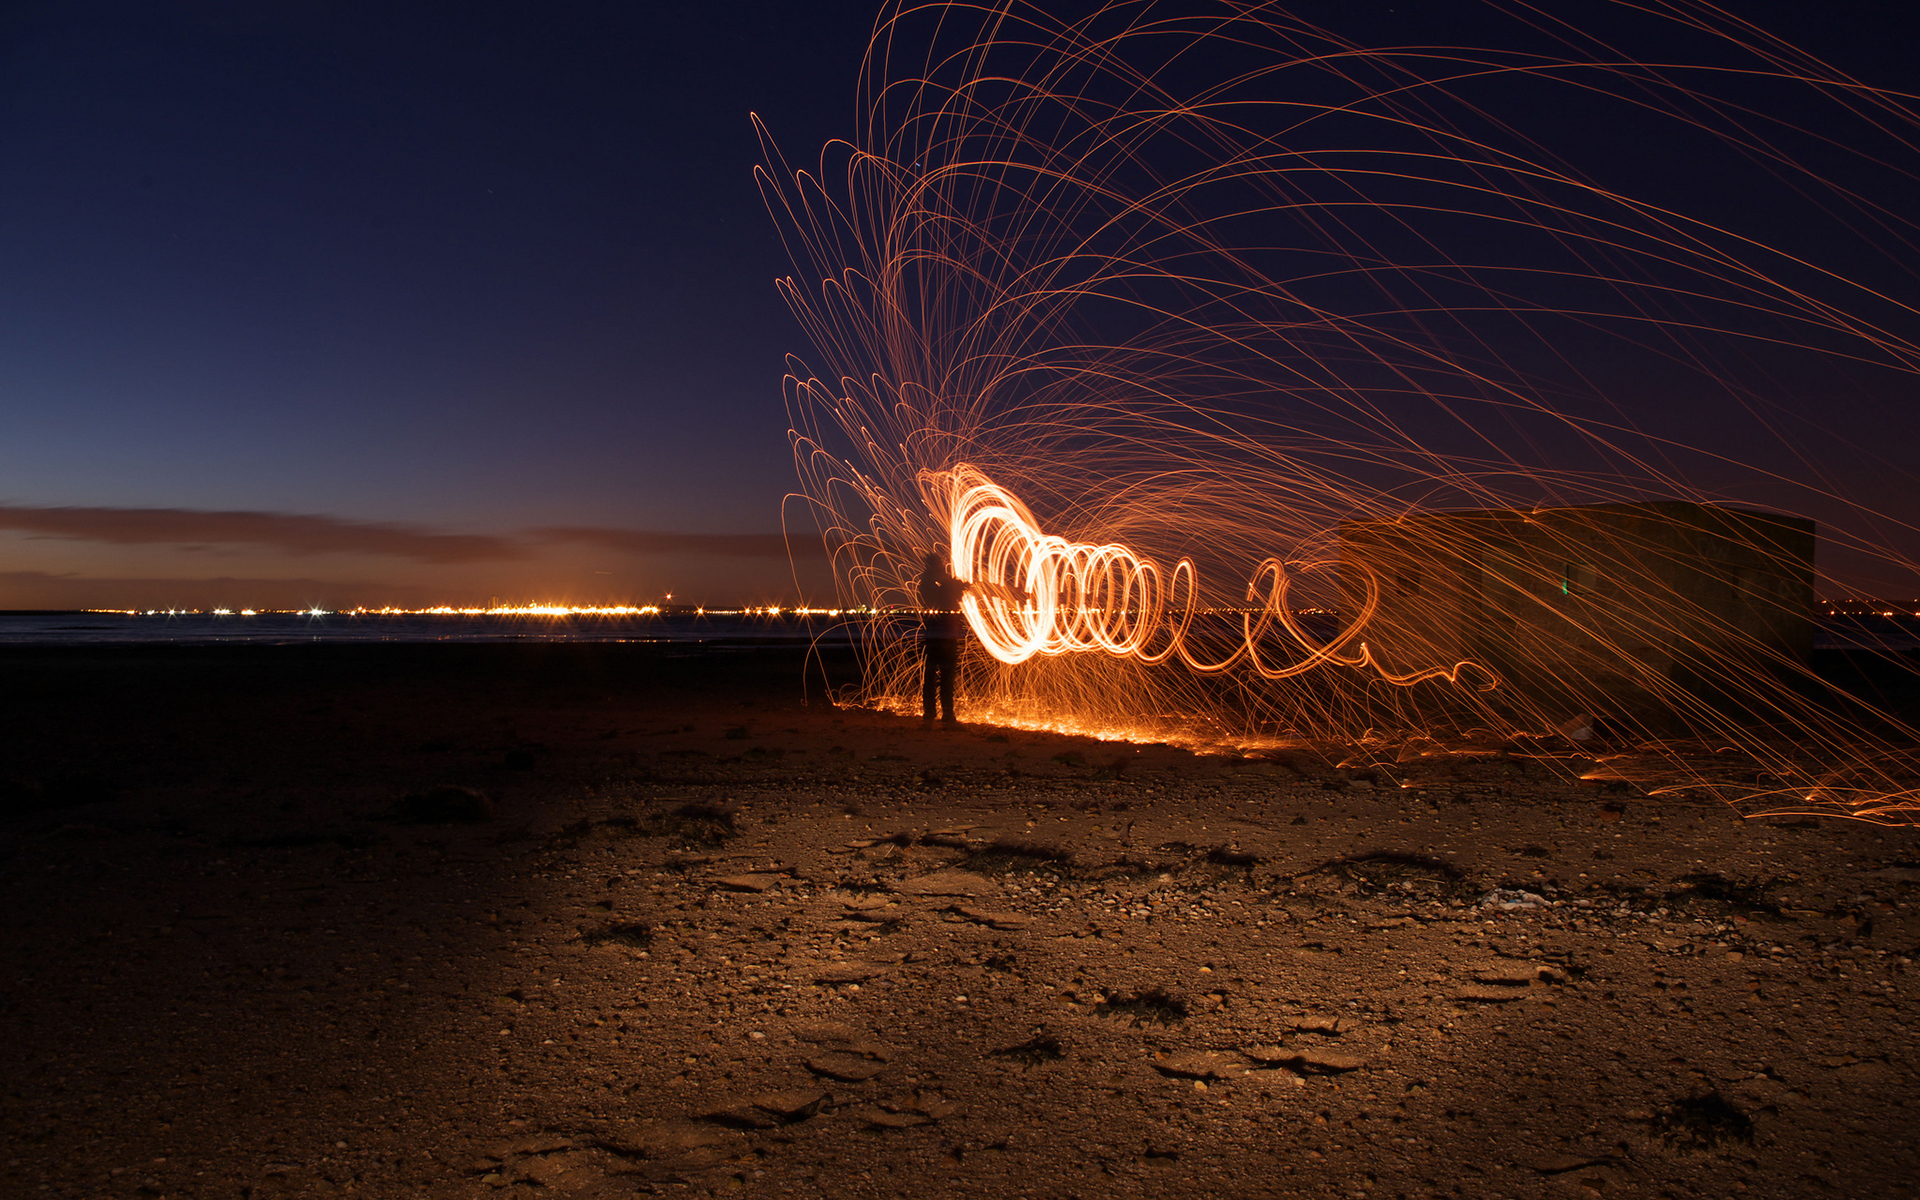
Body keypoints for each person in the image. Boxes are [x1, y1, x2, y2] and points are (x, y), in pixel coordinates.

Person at [917, 551, 967, 729]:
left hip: (934, 635)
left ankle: (933, 713)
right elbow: (946, 596)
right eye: (939, 563)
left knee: (933, 675)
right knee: (944, 675)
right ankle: (945, 713)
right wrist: (956, 587)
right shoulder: (934, 583)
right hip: (944, 635)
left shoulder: (927, 582)